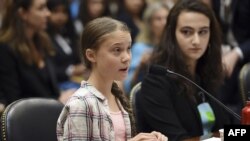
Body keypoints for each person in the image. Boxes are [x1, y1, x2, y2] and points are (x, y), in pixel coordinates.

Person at [57, 17, 168, 141]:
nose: (126, 57)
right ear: (91, 55)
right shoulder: (81, 105)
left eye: (128, 49)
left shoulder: (117, 96)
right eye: (117, 50)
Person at [136, 0, 231, 140]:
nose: (196, 41)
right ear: (171, 34)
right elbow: (176, 139)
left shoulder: (209, 74)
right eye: (187, 32)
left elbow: (228, 126)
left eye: (203, 32)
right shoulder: (156, 82)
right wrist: (219, 137)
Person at [0, 0, 72, 109]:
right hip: (29, 120)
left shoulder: (42, 41)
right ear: (22, 13)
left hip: (53, 114)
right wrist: (56, 102)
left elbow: (50, 89)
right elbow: (14, 103)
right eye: (41, 8)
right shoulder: (5, 49)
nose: (48, 13)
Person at [123, 1, 170, 94]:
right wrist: (141, 66)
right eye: (158, 19)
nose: (164, 22)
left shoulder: (175, 47)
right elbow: (128, 86)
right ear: (150, 24)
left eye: (167, 18)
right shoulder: (140, 47)